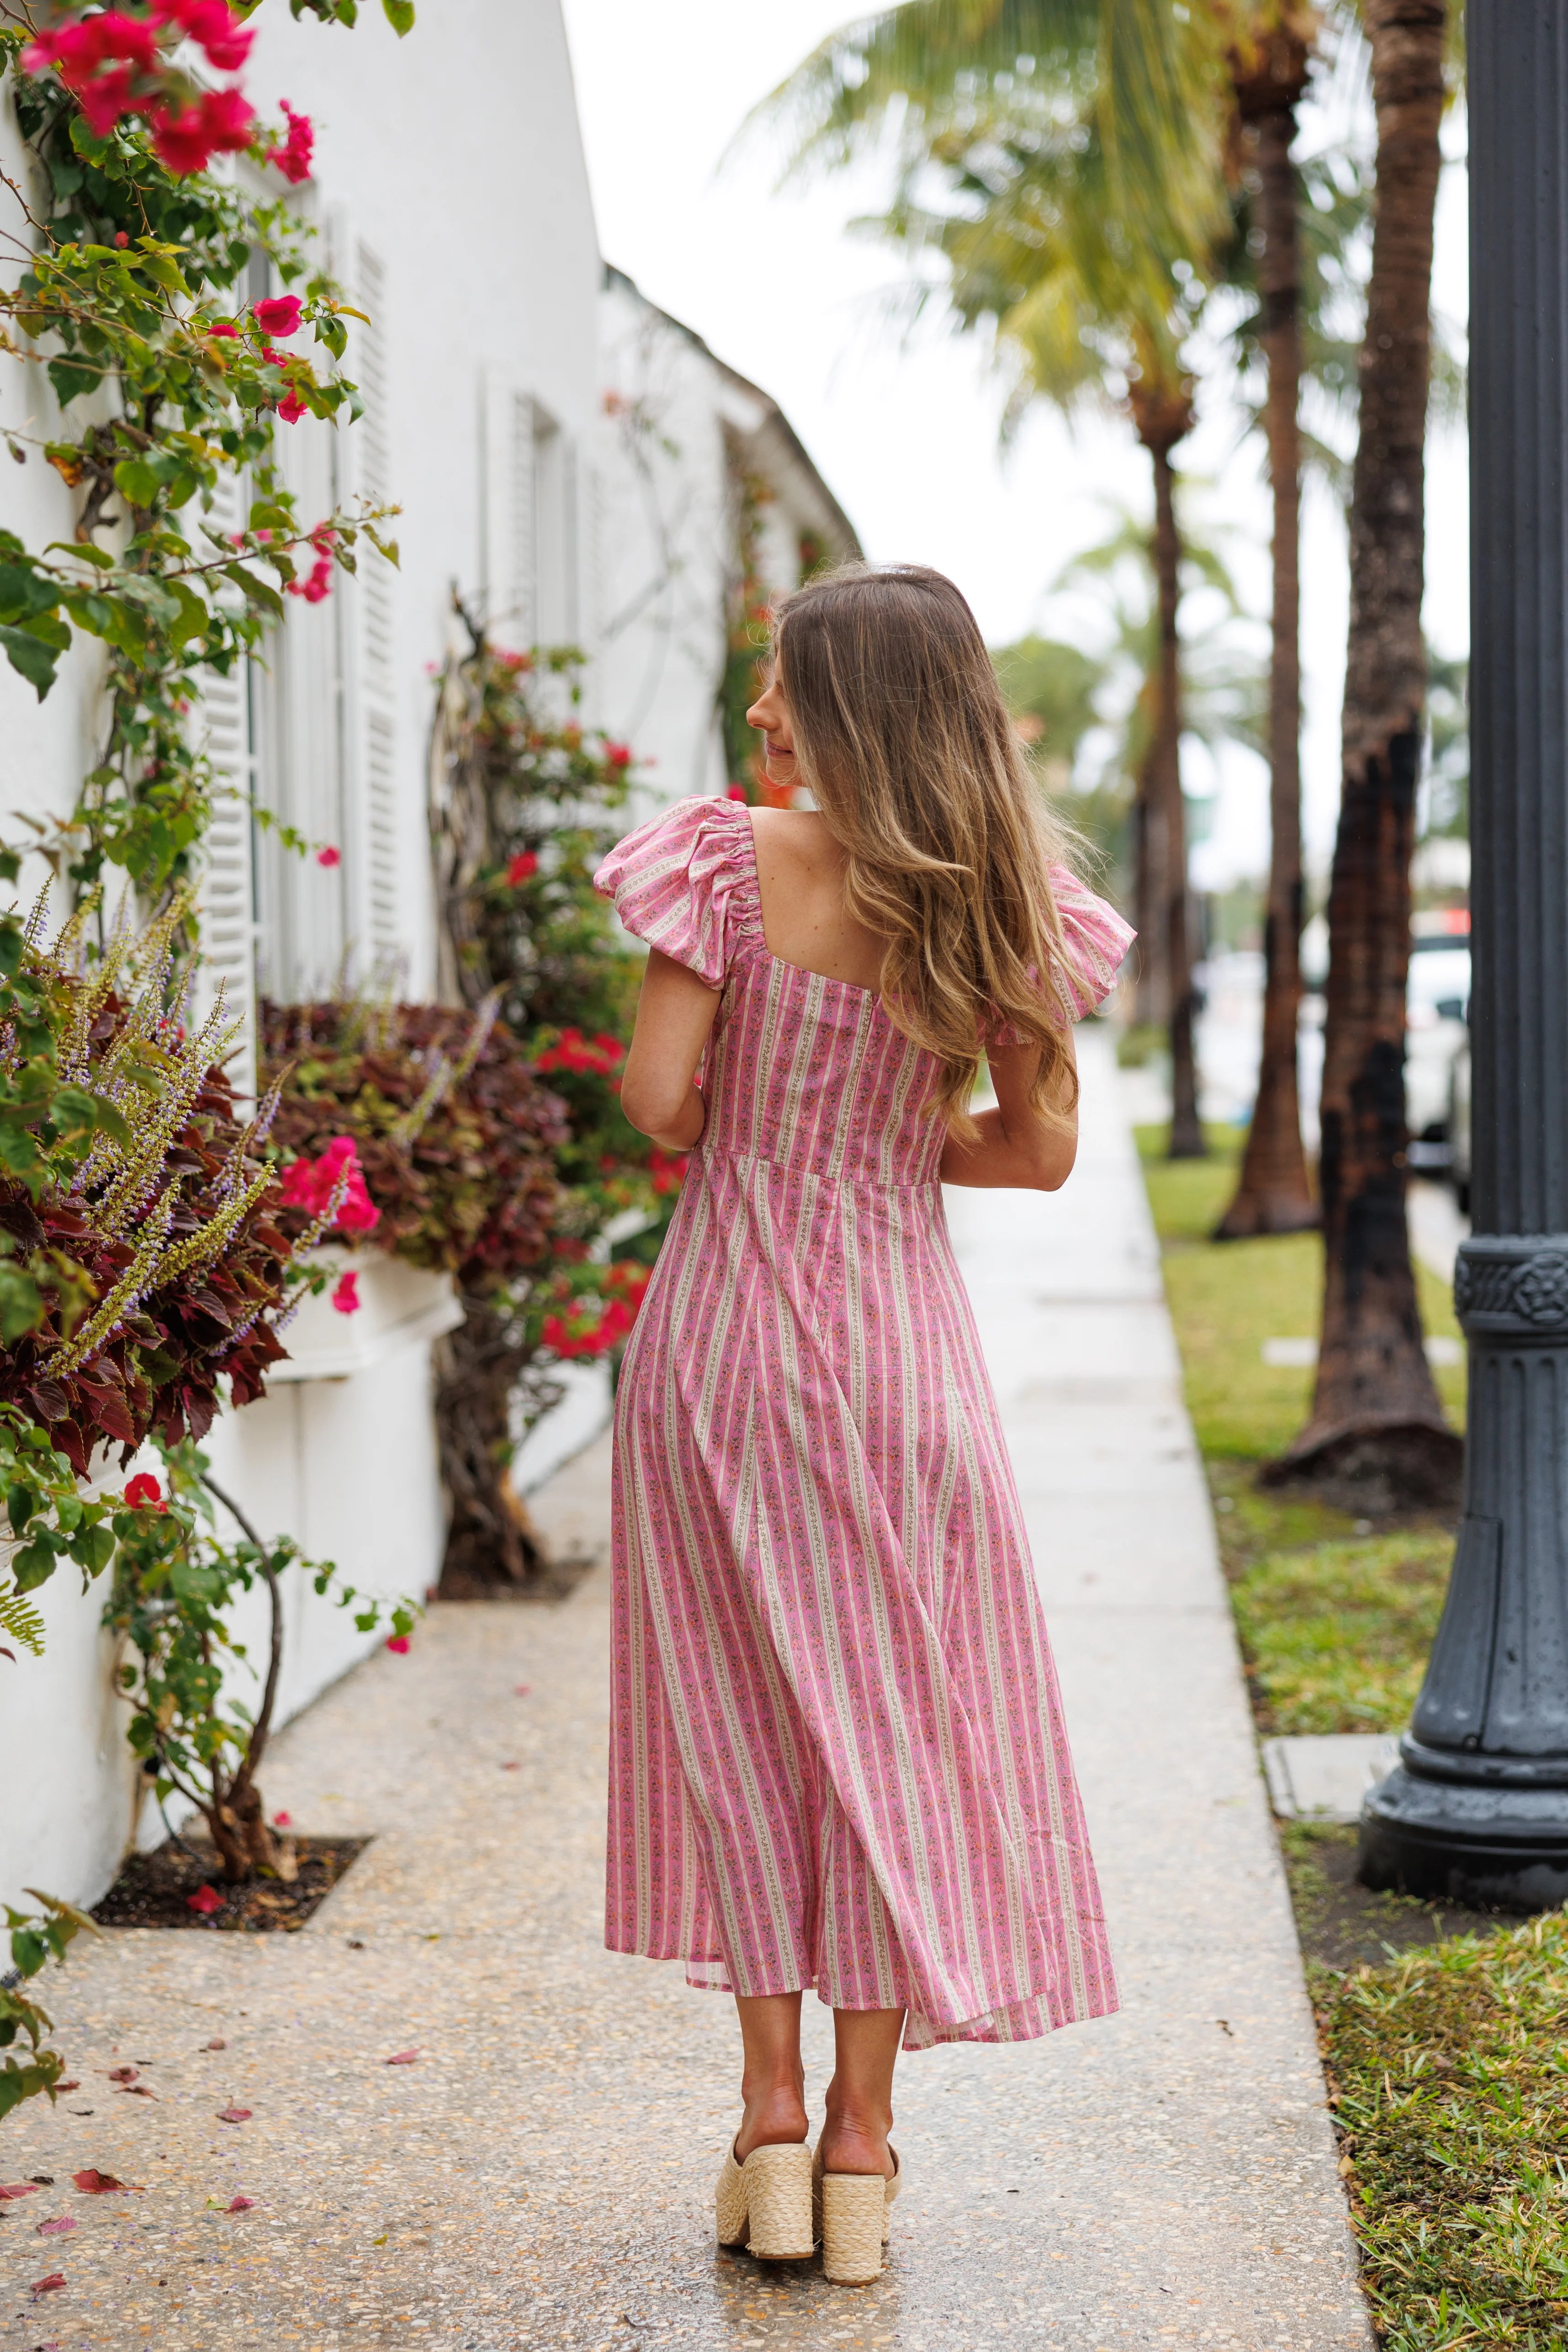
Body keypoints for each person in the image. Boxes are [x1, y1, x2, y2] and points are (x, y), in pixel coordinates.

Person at [593, 563, 1131, 2287]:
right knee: (893, 1732)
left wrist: (775, 1126)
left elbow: (664, 1106)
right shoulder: (1005, 900)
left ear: (850, 710)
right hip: (904, 1361)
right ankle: (866, 2146)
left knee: (746, 1729)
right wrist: (894, 1147)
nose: (759, 716)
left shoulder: (727, 866)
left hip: (727, 1343)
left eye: (784, 686)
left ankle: (762, 2123)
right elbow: (1038, 1155)